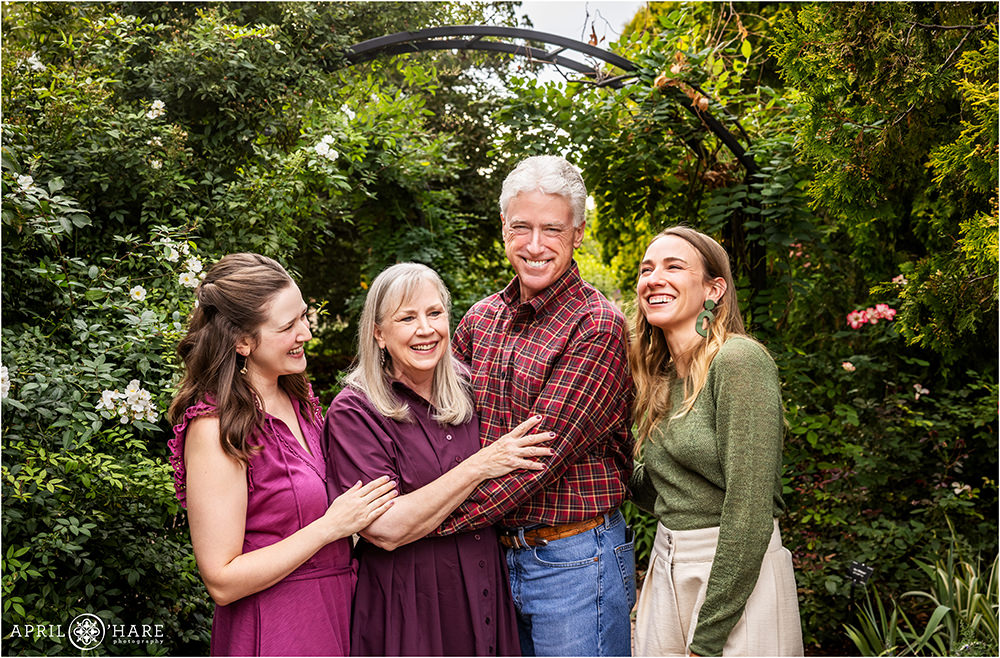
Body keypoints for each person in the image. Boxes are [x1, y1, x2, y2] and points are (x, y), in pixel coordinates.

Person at [434, 155, 636, 657]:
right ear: (503, 227)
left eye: (552, 229)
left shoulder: (596, 326)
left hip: (574, 560)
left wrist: (424, 524)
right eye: (521, 227)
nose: (535, 245)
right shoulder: (480, 321)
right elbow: (438, 432)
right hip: (492, 558)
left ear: (578, 233)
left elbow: (534, 461)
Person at [167, 253, 397, 657]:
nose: (305, 333)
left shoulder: (300, 398)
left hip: (342, 611)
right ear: (241, 340)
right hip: (277, 627)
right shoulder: (216, 429)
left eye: (304, 317)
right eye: (288, 326)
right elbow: (221, 580)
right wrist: (330, 527)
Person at [324, 262, 554, 656]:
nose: (426, 329)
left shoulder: (469, 387)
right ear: (378, 333)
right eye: (407, 318)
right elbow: (386, 528)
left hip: (484, 586)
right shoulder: (355, 411)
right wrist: (480, 465)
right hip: (409, 601)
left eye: (434, 313)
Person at [629, 226, 804, 656]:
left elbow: (749, 509)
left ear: (714, 288)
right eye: (647, 268)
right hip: (667, 562)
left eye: (674, 266)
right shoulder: (661, 379)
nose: (654, 278)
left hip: (734, 574)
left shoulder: (739, 361)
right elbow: (663, 491)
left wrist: (707, 639)